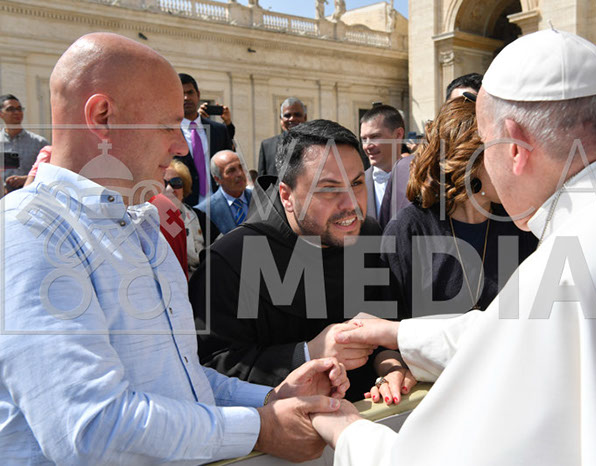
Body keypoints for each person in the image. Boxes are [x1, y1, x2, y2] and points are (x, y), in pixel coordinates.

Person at [310, 29, 596, 465]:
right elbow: (507, 333)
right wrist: (397, 334)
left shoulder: (569, 261)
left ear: (513, 145)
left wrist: (348, 433)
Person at [0, 32, 350, 464]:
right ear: (102, 117)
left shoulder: (143, 229)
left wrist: (272, 397)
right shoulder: (28, 233)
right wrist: (262, 427)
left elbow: (180, 381)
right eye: (168, 126)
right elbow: (92, 429)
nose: (182, 146)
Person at [189, 119, 384, 401]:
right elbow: (209, 367)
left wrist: (389, 364)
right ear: (286, 195)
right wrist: (306, 353)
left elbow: (387, 318)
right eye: (329, 188)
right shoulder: (229, 262)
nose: (351, 204)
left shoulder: (368, 234)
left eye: (356, 183)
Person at [382, 95, 537, 318]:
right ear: (467, 161)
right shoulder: (408, 230)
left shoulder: (520, 224)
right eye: (503, 154)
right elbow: (387, 329)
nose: (515, 165)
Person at [378, 73, 483, 228]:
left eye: (468, 109)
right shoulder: (403, 170)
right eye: (455, 107)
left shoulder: (493, 178)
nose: (460, 118)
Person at [176, 73, 233, 206]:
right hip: (185, 206)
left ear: (198, 95)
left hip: (218, 205)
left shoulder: (219, 130)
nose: (186, 98)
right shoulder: (168, 132)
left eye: (190, 92)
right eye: (181, 94)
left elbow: (229, 165)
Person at [164, 160, 220, 277]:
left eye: (176, 183)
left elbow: (219, 249)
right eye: (163, 183)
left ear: (184, 187)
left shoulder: (199, 216)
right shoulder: (148, 221)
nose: (169, 189)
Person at [361, 104, 405, 219]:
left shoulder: (421, 180)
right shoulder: (356, 185)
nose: (367, 146)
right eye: (364, 139)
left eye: (375, 136)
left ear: (398, 135)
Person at [0, 93, 49, 191]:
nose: (16, 112)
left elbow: (50, 173)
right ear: (1, 114)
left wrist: (27, 179)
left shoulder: (39, 143)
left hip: (31, 196)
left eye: (19, 109)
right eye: (11, 109)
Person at [196, 150, 251, 235]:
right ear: (217, 179)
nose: (239, 173)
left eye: (241, 167)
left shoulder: (262, 199)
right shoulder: (204, 212)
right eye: (231, 170)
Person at [258, 97, 307, 176]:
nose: (292, 118)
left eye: (297, 115)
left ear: (305, 118)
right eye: (287, 115)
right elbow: (261, 179)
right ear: (281, 119)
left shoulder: (314, 145)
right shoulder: (267, 146)